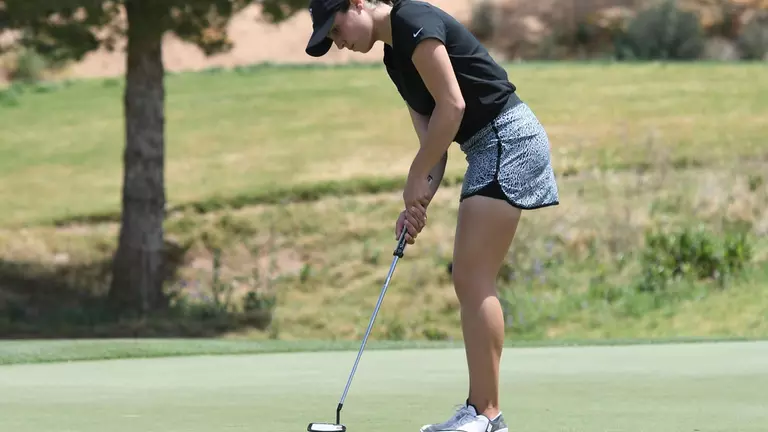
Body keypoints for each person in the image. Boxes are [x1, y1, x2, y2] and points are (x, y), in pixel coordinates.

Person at [304, 0, 560, 431]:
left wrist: (414, 174)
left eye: (336, 27)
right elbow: (435, 145)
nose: (338, 41)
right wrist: (415, 203)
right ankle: (480, 410)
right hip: (487, 145)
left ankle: (487, 414)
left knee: (472, 276)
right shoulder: (394, 59)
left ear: (358, 4)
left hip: (507, 138)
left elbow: (453, 107)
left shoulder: (412, 21)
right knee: (469, 276)